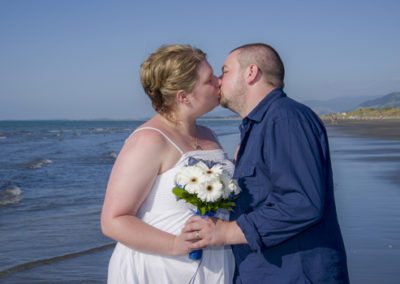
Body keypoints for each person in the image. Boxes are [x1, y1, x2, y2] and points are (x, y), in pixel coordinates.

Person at [183, 43, 350, 283]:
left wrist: (226, 231)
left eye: (225, 71)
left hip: (294, 274)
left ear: (251, 73)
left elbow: (301, 202)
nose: (218, 80)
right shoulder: (261, 126)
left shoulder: (285, 118)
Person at [101, 44, 235, 283]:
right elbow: (113, 221)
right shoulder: (149, 140)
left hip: (212, 264)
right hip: (159, 268)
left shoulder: (208, 135)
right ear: (183, 96)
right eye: (209, 79)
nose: (219, 81)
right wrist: (175, 244)